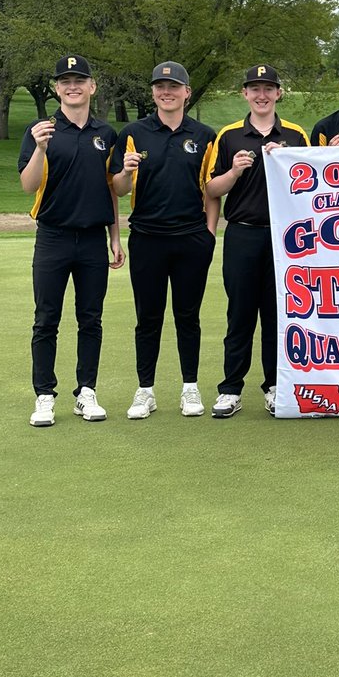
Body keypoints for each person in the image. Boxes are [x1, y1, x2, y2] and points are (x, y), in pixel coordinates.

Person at [18, 54, 124, 426]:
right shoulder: (41, 130)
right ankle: (44, 395)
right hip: (53, 237)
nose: (72, 85)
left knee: (90, 319)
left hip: (94, 238)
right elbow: (28, 185)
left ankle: (86, 392)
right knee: (46, 319)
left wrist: (115, 237)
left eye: (79, 80)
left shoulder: (106, 134)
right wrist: (41, 149)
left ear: (92, 86)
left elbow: (112, 189)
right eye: (65, 81)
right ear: (56, 88)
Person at [109, 62, 219, 420]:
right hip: (147, 237)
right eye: (160, 86)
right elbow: (118, 188)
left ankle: (190, 388)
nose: (166, 92)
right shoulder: (133, 133)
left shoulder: (204, 135)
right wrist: (125, 171)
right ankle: (146, 390)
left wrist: (210, 234)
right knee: (148, 317)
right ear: (153, 92)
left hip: (191, 238)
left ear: (187, 92)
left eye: (173, 86)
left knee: (188, 316)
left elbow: (212, 189)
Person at [205, 64, 309, 418]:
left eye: (268, 88)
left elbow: (314, 189)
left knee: (278, 314)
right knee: (240, 313)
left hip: (286, 239)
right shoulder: (230, 136)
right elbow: (211, 189)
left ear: (279, 93)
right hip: (243, 233)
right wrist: (234, 171)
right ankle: (230, 388)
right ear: (245, 94)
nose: (261, 95)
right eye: (255, 89)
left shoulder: (295, 135)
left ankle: (275, 385)